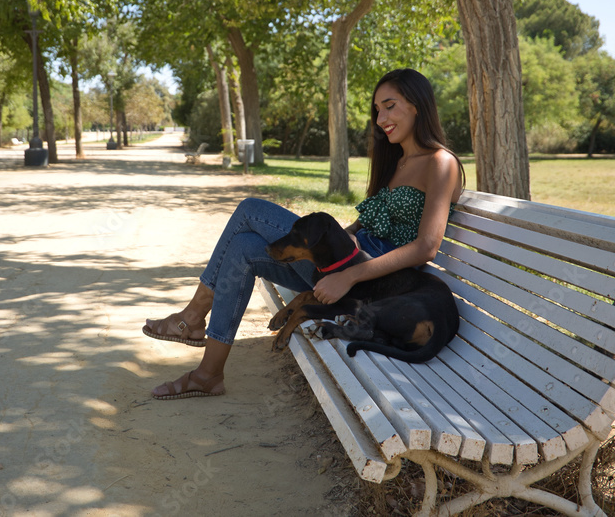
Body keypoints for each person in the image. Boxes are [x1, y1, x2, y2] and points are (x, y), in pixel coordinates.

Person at [143, 68, 465, 400]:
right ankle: (208, 374)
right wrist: (347, 237)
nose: (381, 118)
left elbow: (426, 246)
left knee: (250, 209)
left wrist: (349, 277)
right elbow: (367, 224)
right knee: (242, 246)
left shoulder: (440, 162)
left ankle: (193, 318)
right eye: (377, 110)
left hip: (371, 282)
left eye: (390, 106)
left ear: (416, 105)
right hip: (342, 266)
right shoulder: (395, 161)